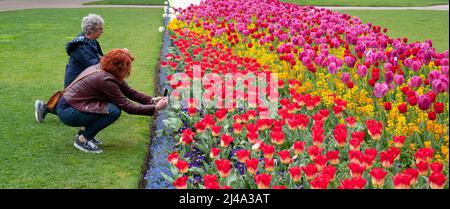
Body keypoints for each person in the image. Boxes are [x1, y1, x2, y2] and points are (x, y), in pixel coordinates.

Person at [56, 49, 168, 154]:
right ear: (120, 66)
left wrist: (152, 100)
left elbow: (129, 92)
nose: (130, 69)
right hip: (68, 111)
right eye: (128, 66)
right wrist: (156, 108)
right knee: (113, 111)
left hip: (71, 106)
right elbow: (128, 107)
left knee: (111, 108)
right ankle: (82, 140)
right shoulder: (106, 79)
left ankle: (85, 133)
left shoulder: (106, 70)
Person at [35, 13, 105, 123]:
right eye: (100, 28)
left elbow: (101, 59)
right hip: (75, 80)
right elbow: (95, 64)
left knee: (79, 106)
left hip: (84, 78)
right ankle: (44, 107)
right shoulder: (81, 45)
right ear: (92, 29)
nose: (102, 31)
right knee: (74, 109)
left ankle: (45, 108)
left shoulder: (91, 41)